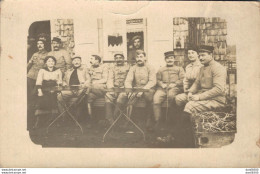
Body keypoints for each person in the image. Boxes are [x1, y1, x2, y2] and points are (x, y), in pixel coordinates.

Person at [177, 45, 227, 147]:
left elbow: (218, 89)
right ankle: (181, 132)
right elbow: (197, 83)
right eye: (199, 56)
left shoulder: (218, 68)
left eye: (203, 55)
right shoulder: (202, 68)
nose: (200, 58)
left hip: (216, 99)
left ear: (211, 55)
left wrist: (199, 97)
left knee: (189, 106)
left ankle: (185, 141)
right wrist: (190, 92)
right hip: (203, 96)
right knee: (179, 99)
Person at [123, 50, 156, 130]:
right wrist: (129, 90)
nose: (139, 59)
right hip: (136, 88)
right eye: (137, 57)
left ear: (145, 58)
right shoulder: (133, 68)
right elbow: (128, 80)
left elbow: (152, 81)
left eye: (141, 57)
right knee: (130, 99)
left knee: (149, 97)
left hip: (148, 89)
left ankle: (149, 120)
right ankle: (128, 120)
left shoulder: (150, 67)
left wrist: (143, 90)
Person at [153, 51, 185, 130]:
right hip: (163, 88)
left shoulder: (179, 69)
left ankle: (171, 121)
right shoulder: (161, 69)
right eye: (167, 58)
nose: (169, 60)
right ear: (165, 59)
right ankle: (158, 121)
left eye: (171, 58)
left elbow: (183, 79)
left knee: (171, 96)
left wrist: (175, 84)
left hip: (175, 87)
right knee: (156, 99)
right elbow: (157, 80)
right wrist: (161, 84)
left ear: (174, 59)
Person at [57, 56, 91, 121]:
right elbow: (63, 80)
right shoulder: (68, 71)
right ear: (72, 62)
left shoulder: (84, 70)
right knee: (59, 97)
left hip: (80, 89)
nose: (76, 62)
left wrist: (84, 84)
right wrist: (64, 84)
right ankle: (64, 116)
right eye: (75, 60)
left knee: (83, 96)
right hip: (70, 90)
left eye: (78, 60)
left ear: (81, 62)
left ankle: (79, 117)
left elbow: (89, 80)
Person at [34, 56, 63, 128]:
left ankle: (53, 120)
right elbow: (39, 81)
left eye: (52, 61)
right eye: (49, 61)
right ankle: (40, 121)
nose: (51, 63)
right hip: (44, 88)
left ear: (55, 63)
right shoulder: (42, 70)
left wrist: (58, 90)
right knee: (43, 99)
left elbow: (60, 81)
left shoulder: (58, 70)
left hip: (54, 89)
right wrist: (39, 91)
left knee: (55, 100)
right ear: (46, 63)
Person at [27, 39, 48, 129]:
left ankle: (37, 119)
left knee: (36, 96)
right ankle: (30, 117)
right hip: (30, 76)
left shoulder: (48, 54)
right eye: (38, 44)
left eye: (41, 44)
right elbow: (29, 64)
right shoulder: (34, 54)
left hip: (40, 77)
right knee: (30, 96)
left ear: (44, 45)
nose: (39, 45)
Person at [105, 53, 130, 125]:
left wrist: (126, 88)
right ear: (115, 60)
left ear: (123, 59)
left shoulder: (128, 67)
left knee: (122, 97)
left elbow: (129, 79)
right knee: (108, 95)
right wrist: (111, 89)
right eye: (116, 58)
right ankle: (109, 119)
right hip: (115, 88)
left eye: (120, 58)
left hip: (124, 88)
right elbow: (110, 79)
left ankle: (115, 117)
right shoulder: (112, 68)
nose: (118, 59)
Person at [87, 55, 109, 120]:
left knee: (86, 89)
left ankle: (78, 99)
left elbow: (105, 80)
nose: (90, 60)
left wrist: (94, 83)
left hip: (101, 87)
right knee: (88, 97)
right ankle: (90, 119)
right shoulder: (91, 67)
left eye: (91, 59)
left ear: (97, 60)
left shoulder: (104, 67)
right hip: (92, 89)